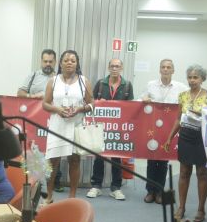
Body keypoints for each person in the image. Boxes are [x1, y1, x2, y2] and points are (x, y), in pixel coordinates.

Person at [164, 64, 207, 222]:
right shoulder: (183, 96)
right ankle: (181, 207)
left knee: (202, 173)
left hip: (202, 138)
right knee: (184, 172)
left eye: (196, 77)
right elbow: (178, 119)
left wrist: (202, 115)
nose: (192, 80)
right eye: (190, 77)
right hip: (186, 136)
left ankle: (201, 209)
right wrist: (169, 138)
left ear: (202, 79)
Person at [42, 49, 94, 203]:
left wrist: (79, 109)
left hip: (75, 125)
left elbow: (92, 104)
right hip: (57, 126)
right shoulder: (53, 81)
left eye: (73, 60)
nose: (69, 63)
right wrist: (57, 109)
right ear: (60, 63)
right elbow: (45, 104)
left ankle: (72, 197)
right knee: (52, 161)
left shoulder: (84, 81)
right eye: (66, 60)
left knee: (74, 160)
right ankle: (48, 196)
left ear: (77, 64)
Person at [17, 49, 64, 193]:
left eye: (50, 61)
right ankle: (36, 182)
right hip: (34, 121)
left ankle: (54, 181)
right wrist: (32, 97)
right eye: (45, 61)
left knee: (53, 149)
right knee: (35, 149)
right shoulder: (33, 76)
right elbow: (20, 93)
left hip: (53, 120)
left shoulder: (60, 78)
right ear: (41, 61)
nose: (48, 64)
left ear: (55, 62)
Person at [141, 59, 189, 204]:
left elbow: (189, 101)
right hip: (153, 128)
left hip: (170, 130)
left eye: (168, 67)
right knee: (151, 160)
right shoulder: (151, 84)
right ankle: (150, 191)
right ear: (160, 69)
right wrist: (144, 98)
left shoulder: (181, 87)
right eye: (163, 67)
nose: (166, 69)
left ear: (173, 70)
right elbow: (141, 99)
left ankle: (159, 191)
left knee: (163, 161)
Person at [87, 58, 134, 201]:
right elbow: (90, 102)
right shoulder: (101, 83)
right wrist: (97, 102)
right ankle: (96, 186)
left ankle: (116, 188)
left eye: (117, 66)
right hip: (101, 126)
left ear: (121, 68)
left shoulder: (127, 85)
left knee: (116, 157)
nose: (114, 68)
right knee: (99, 155)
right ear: (108, 67)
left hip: (118, 127)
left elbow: (131, 107)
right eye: (112, 66)